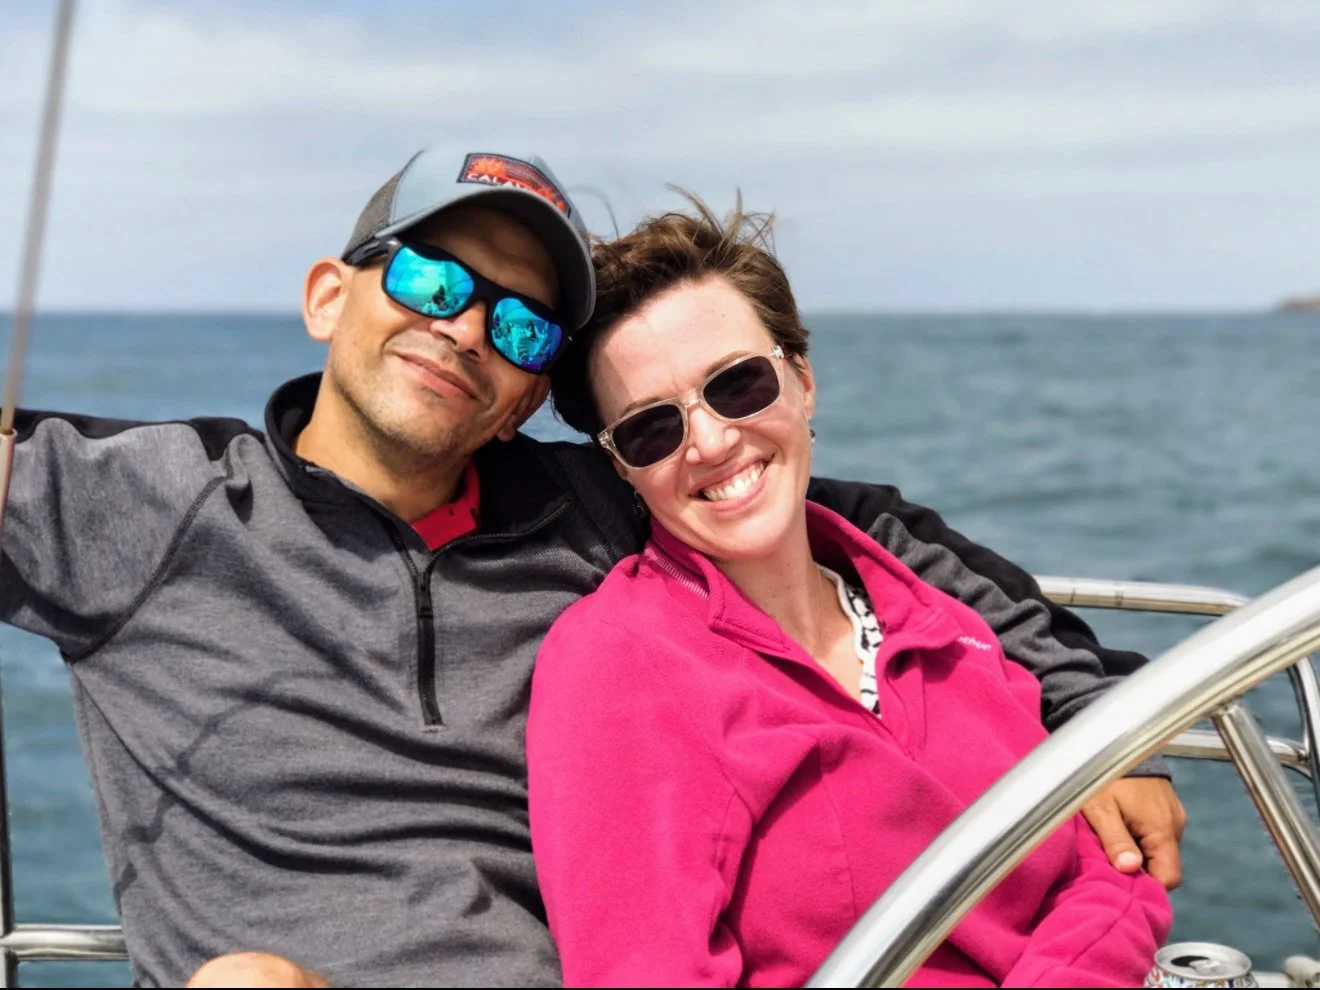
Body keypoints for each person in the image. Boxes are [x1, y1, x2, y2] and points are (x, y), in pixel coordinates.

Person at [0, 149, 1179, 989]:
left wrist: (1091, 714)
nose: (465, 329)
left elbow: (852, 530)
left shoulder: (595, 509)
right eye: (431, 279)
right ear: (327, 294)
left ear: (525, 402)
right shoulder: (139, 502)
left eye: (520, 327)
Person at [528, 197, 1172, 987]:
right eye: (652, 428)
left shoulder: (935, 613)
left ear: (801, 382)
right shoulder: (621, 662)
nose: (711, 441)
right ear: (621, 466)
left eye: (737, 385)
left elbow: (1114, 866)